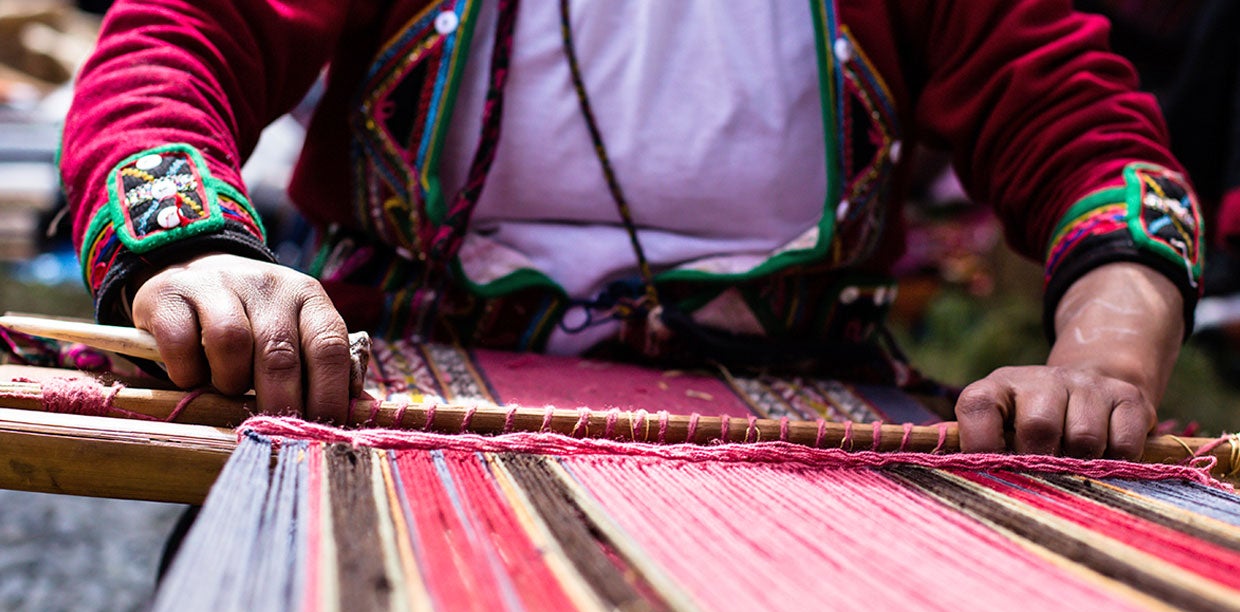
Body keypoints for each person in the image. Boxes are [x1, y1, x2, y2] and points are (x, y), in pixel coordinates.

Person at [59, 0, 1202, 459]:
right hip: (396, 388)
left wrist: (1101, 355)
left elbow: (1082, 134)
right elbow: (186, 34)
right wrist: (189, 247)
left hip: (798, 407)